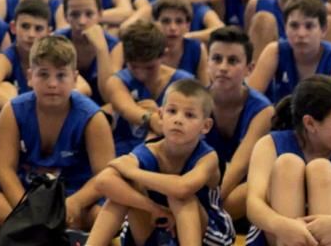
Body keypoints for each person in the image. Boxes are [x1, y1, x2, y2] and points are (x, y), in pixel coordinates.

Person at [0, 35, 113, 232]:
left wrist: (75, 203)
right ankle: (46, 231)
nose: (52, 84)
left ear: (75, 79)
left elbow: (104, 175)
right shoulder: (13, 110)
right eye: (43, 74)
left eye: (61, 76)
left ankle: (22, 230)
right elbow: (4, 169)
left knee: (104, 215)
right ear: (29, 77)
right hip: (25, 192)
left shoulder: (93, 118)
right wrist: (25, 206)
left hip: (72, 195)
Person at [86, 79, 234, 246]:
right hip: (158, 223)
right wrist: (154, 209)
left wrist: (134, 172)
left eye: (189, 115)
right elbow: (103, 182)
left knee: (180, 197)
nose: (178, 120)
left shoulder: (208, 157)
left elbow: (182, 187)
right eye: (172, 111)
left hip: (209, 233)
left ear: (205, 126)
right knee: (122, 192)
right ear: (161, 116)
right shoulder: (151, 150)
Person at [246, 76, 331, 246]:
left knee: (321, 169)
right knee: (287, 164)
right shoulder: (268, 145)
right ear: (310, 123)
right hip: (280, 236)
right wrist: (282, 225)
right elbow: (253, 204)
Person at [205, 26, 273, 220]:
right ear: (207, 62)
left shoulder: (263, 110)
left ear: (249, 69)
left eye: (232, 61)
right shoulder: (195, 103)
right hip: (206, 183)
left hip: (241, 187)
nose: (223, 67)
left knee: (254, 188)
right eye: (217, 59)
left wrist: (207, 204)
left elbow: (239, 167)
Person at [108, 20, 195, 155]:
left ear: (163, 54)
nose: (141, 74)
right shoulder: (117, 81)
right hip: (123, 155)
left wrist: (164, 118)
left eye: (149, 67)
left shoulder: (184, 83)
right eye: (134, 67)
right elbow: (126, 108)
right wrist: (152, 119)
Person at [248, 0, 331, 103]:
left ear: (323, 30)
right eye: (294, 26)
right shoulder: (275, 51)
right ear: (285, 28)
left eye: (309, 26)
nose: (301, 34)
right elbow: (251, 99)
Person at [0, 0, 52, 109]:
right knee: (6, 88)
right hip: (16, 118)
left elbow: (83, 87)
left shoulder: (54, 56)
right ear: (13, 27)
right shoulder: (6, 57)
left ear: (48, 32)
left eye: (38, 28)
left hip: (45, 117)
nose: (31, 34)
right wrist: (23, 112)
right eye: (25, 26)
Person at [57, 0, 120, 100]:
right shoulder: (56, 41)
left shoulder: (115, 46)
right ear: (65, 16)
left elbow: (109, 96)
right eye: (75, 15)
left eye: (89, 14)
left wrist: (101, 49)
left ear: (100, 14)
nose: (82, 21)